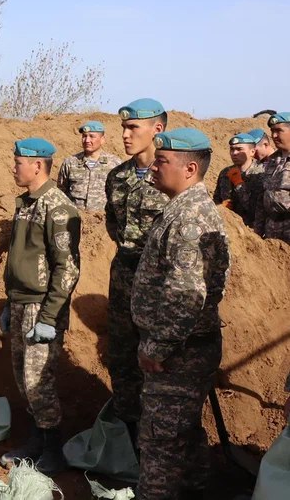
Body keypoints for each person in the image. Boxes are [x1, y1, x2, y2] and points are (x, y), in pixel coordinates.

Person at [132, 127, 230, 500]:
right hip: (183, 349)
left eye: (162, 161)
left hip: (178, 354)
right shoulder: (183, 209)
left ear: (190, 169)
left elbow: (187, 295)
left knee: (160, 441)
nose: (154, 168)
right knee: (182, 433)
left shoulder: (190, 218)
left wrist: (157, 347)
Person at [0, 138, 81, 474]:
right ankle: (35, 442)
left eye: (18, 162)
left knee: (38, 381)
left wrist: (49, 316)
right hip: (20, 303)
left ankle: (53, 451)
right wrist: (9, 302)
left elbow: (68, 267)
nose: (14, 167)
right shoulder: (27, 204)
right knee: (23, 379)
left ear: (37, 165)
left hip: (40, 309)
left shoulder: (57, 207)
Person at [104, 98, 169, 443]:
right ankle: (129, 442)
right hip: (123, 279)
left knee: (158, 364)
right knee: (122, 359)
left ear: (157, 129)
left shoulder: (171, 175)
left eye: (133, 128)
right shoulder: (118, 176)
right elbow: (114, 226)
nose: (126, 135)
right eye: (123, 128)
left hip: (158, 286)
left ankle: (157, 444)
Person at [57, 120, 122, 211]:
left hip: (103, 220)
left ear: (102, 139)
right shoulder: (70, 162)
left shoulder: (114, 164)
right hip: (74, 219)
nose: (87, 140)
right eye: (84, 136)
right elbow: (61, 192)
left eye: (92, 137)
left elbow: (120, 194)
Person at [254, 112, 290, 243]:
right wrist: (257, 234)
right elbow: (262, 199)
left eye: (279, 131)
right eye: (272, 131)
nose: (274, 136)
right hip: (271, 234)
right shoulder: (272, 161)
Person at [212, 132, 261, 226]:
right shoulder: (225, 173)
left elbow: (256, 209)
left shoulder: (260, 173)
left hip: (251, 229)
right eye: (232, 149)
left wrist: (239, 184)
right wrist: (221, 207)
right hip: (228, 226)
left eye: (239, 149)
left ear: (252, 152)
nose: (234, 153)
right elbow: (216, 199)